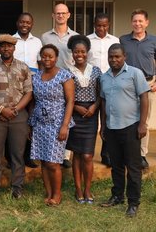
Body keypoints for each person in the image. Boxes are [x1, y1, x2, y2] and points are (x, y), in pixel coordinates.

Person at [0, 34, 33, 208]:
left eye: (9, 46)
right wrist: (1, 109)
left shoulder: (23, 67)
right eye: (3, 46)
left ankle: (17, 187)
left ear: (14, 48)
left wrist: (16, 110)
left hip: (18, 116)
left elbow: (28, 93)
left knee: (17, 154)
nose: (6, 49)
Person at [100, 44, 149, 217]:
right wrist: (103, 125)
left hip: (131, 127)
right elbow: (103, 102)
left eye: (117, 57)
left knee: (133, 167)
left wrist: (142, 124)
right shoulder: (104, 77)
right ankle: (117, 196)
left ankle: (133, 202)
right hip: (112, 127)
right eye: (111, 56)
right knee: (116, 166)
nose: (114, 59)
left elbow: (144, 97)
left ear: (124, 56)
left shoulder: (135, 73)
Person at [29, 44, 75, 206]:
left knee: (53, 162)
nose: (47, 59)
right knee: (43, 160)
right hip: (40, 123)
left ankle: (57, 194)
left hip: (57, 124)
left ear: (56, 58)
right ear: (40, 58)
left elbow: (70, 102)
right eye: (44, 56)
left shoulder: (64, 76)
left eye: (50, 56)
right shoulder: (36, 76)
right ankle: (48, 193)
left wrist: (65, 125)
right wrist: (31, 123)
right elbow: (33, 101)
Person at [41, 3, 78, 168]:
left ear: (68, 15)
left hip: (69, 81)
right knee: (52, 117)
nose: (61, 16)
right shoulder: (45, 37)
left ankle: (65, 155)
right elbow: (42, 59)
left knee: (67, 116)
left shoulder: (75, 37)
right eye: (58, 13)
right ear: (53, 15)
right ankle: (50, 150)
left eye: (63, 13)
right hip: (51, 81)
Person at [66, 35, 102, 204]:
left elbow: (101, 94)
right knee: (77, 154)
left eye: (82, 51)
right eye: (76, 52)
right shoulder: (66, 72)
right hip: (74, 114)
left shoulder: (96, 71)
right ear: (72, 54)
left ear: (87, 52)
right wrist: (76, 107)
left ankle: (88, 189)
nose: (79, 54)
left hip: (91, 116)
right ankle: (78, 189)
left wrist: (94, 107)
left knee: (88, 155)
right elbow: (64, 97)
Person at [120, 9, 156, 170]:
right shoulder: (124, 40)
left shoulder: (153, 41)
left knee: (143, 121)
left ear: (146, 22)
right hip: (127, 86)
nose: (137, 24)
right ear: (131, 22)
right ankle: (127, 153)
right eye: (135, 21)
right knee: (126, 120)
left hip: (148, 85)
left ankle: (141, 154)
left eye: (141, 21)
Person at [87, 13, 119, 167]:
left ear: (109, 24)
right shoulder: (87, 40)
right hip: (92, 85)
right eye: (99, 25)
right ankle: (88, 152)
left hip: (110, 84)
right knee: (92, 119)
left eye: (104, 25)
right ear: (94, 24)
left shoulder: (115, 41)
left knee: (109, 119)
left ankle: (106, 154)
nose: (101, 28)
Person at [12, 12, 42, 168]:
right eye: (22, 22)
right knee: (15, 117)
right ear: (17, 23)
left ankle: (28, 156)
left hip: (33, 83)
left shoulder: (37, 42)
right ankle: (11, 158)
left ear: (32, 24)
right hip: (15, 85)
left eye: (28, 22)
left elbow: (41, 64)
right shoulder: (11, 40)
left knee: (31, 118)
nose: (25, 25)